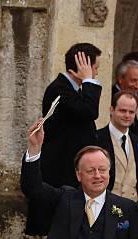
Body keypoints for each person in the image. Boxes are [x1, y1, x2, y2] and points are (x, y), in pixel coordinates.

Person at [39, 42, 102, 189]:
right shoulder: (59, 89)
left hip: (71, 172)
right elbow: (89, 111)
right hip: (60, 175)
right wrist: (88, 80)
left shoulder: (73, 90)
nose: (96, 73)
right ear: (83, 66)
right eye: (95, 68)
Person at [96, 90, 138, 204]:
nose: (127, 115)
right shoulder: (97, 138)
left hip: (133, 207)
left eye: (131, 112)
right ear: (111, 110)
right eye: (123, 111)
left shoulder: (135, 140)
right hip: (106, 206)